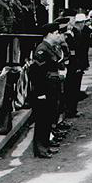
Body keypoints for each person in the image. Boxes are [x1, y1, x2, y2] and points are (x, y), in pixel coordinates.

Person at [29, 22, 67, 158]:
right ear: (49, 34)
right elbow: (37, 73)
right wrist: (40, 93)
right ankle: (40, 149)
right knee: (42, 120)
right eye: (56, 33)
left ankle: (46, 145)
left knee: (48, 118)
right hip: (44, 89)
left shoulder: (50, 47)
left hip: (52, 87)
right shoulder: (42, 49)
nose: (58, 35)